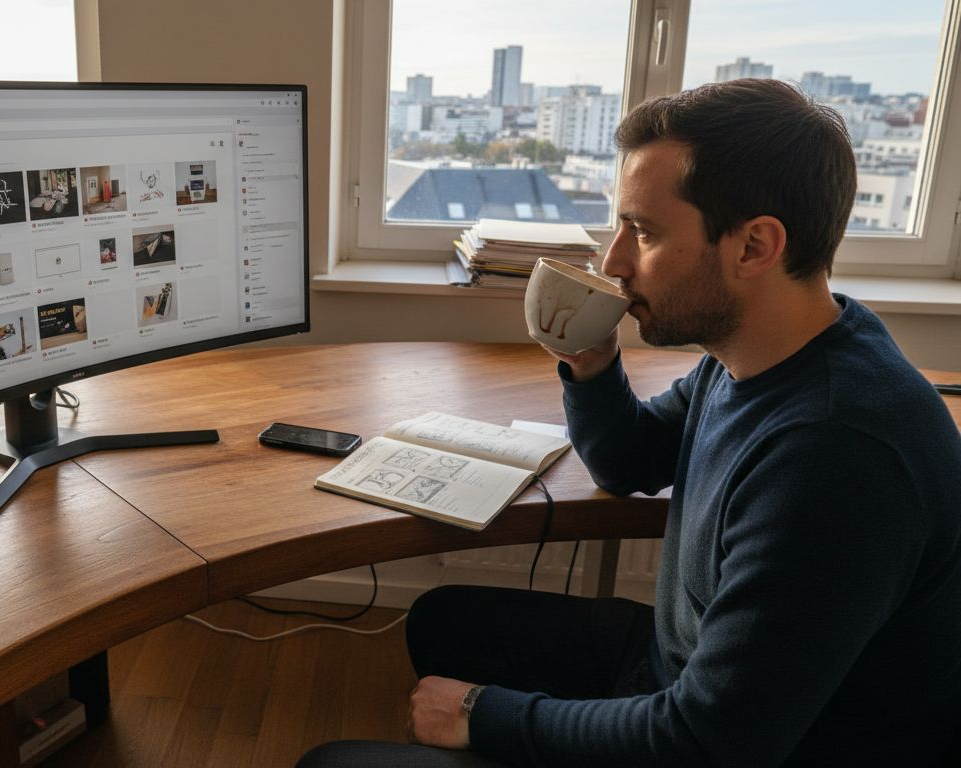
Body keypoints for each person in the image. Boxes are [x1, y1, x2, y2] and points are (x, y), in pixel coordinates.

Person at [299, 78, 961, 766]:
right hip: (679, 674)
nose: (613, 263)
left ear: (754, 247)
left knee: (332, 763)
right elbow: (629, 458)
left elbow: (708, 743)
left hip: (732, 741)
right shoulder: (759, 352)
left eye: (642, 232)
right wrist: (592, 359)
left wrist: (482, 715)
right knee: (443, 621)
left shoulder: (838, 455)